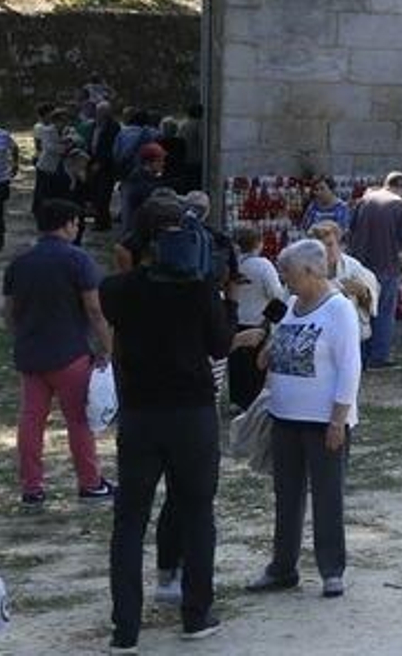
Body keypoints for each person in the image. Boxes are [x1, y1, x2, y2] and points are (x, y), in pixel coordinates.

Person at [102, 198, 242, 649]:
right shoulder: (198, 289)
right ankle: (196, 614)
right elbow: (220, 347)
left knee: (129, 522)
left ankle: (125, 627)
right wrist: (227, 298)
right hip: (191, 413)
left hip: (141, 414)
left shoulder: (117, 290)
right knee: (198, 512)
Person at [248, 239, 362, 599]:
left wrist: (336, 421)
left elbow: (349, 368)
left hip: (323, 421)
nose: (285, 280)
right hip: (285, 418)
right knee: (287, 496)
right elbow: (279, 342)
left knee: (327, 497)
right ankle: (282, 567)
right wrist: (268, 352)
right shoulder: (291, 304)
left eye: (290, 274)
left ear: (312, 272)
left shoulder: (338, 309)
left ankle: (332, 570)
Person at [3, 199, 114, 505]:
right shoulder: (77, 260)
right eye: (76, 223)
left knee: (30, 420)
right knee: (78, 420)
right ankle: (90, 482)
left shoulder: (19, 262)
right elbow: (93, 309)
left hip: (31, 353)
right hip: (69, 353)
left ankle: (32, 488)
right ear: (67, 224)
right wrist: (107, 347)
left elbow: (10, 312)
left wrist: (21, 336)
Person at [344, 171, 402, 368]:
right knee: (383, 311)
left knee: (362, 310)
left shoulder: (364, 201)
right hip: (386, 265)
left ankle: (361, 355)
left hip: (359, 265)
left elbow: (351, 229)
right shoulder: (400, 205)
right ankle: (379, 357)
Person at [230, 225, 286, 410]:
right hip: (258, 320)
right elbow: (276, 293)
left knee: (237, 362)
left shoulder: (235, 263)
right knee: (255, 364)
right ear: (259, 243)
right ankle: (253, 398)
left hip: (237, 318)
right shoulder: (263, 265)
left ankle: (236, 399)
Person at [307, 222, 379, 346]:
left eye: (330, 245)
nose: (326, 251)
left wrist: (363, 292)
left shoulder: (353, 267)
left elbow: (372, 302)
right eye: (320, 247)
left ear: (339, 245)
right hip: (318, 340)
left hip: (352, 339)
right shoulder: (304, 269)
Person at [84, 102, 119, 231]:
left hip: (106, 166)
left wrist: (101, 163)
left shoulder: (113, 127)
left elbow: (112, 148)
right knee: (94, 193)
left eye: (102, 112)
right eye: (98, 112)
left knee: (103, 195)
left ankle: (103, 222)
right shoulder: (94, 125)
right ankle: (100, 220)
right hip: (92, 161)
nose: (98, 115)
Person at [0, 121, 16, 250]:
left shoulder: (4, 135)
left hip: (2, 179)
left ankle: (0, 237)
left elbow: (15, 148)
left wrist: (15, 164)